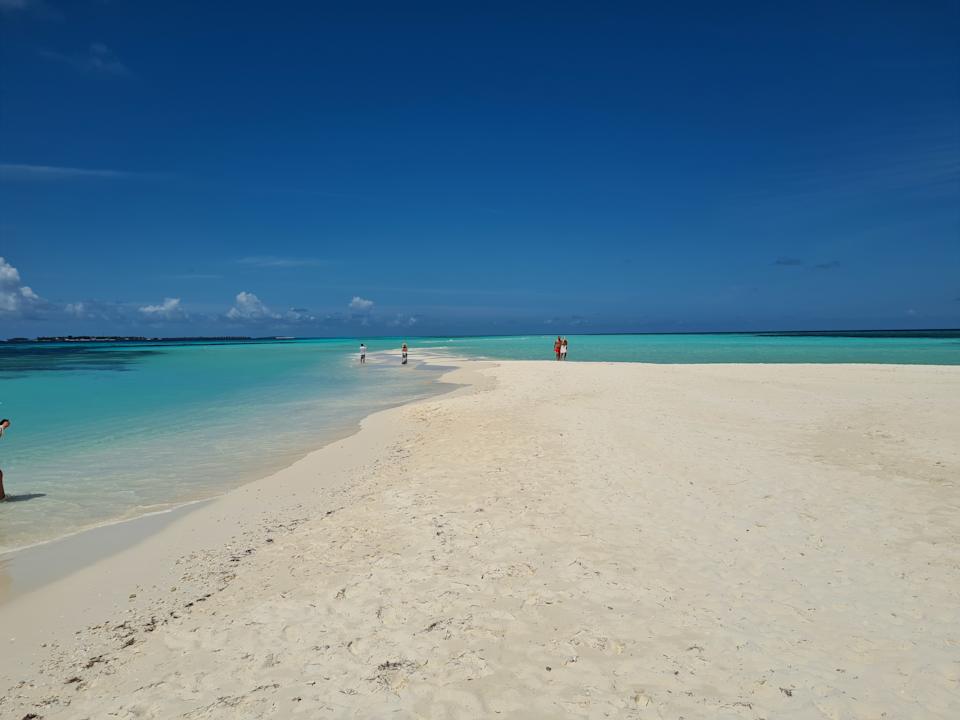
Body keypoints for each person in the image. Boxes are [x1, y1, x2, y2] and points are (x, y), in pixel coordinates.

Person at [0, 418, 10, 501]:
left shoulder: (1, 429)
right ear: (3, 422)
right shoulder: (0, 428)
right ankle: (2, 497)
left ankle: (2, 497)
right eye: (7, 422)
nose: (9, 423)